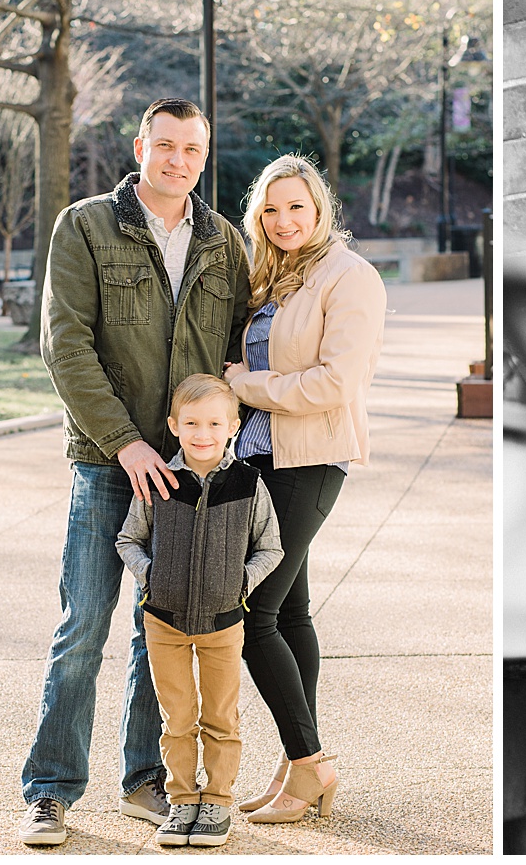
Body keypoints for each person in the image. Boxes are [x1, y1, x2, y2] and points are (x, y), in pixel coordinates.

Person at [18, 98, 253, 846]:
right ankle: (50, 790)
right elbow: (66, 345)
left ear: (204, 156)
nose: (177, 159)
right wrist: (125, 443)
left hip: (189, 475)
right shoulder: (85, 225)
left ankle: (145, 779)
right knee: (83, 624)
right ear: (140, 145)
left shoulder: (224, 242)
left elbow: (239, 352)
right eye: (165, 145)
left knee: (167, 629)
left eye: (192, 148)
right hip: (108, 462)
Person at [223, 154, 386, 824]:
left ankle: (312, 762)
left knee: (249, 612)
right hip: (263, 459)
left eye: (296, 206)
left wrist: (243, 384)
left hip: (312, 459)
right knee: (290, 613)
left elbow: (333, 383)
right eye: (270, 209)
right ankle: (298, 768)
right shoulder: (270, 277)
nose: (284, 220)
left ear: (320, 209)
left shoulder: (349, 277)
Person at [117, 374, 283, 847]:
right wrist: (153, 577)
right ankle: (182, 799)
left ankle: (217, 802)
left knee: (221, 717)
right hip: (163, 622)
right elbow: (128, 539)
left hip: (223, 624)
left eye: (213, 423)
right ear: (173, 426)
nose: (202, 433)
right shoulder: (159, 482)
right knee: (178, 718)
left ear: (233, 425)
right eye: (191, 423)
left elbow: (271, 548)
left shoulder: (249, 485)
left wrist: (239, 584)